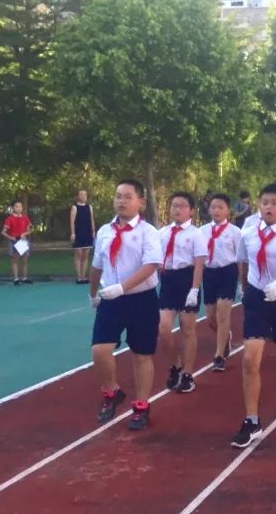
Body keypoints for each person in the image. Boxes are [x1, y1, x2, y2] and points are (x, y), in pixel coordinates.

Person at [231, 183, 276, 447]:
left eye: (274, 203)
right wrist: (244, 286)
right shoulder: (248, 233)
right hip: (257, 298)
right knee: (250, 359)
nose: (268, 207)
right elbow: (243, 260)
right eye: (264, 202)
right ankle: (252, 420)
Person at [89, 180, 163, 430]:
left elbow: (151, 265)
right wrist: (92, 293)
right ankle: (111, 391)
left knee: (142, 355)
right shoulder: (104, 231)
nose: (121, 201)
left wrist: (123, 287)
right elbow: (97, 264)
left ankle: (141, 405)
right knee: (100, 350)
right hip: (111, 300)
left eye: (127, 196)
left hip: (142, 300)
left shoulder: (148, 232)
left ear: (140, 202)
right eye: (118, 196)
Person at [157, 192, 208, 394]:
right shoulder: (162, 233)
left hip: (187, 280)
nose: (177, 209)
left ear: (191, 211)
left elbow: (199, 264)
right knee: (163, 328)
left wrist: (194, 290)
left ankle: (187, 373)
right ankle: (175, 364)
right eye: (174, 206)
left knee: (188, 330)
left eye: (182, 206)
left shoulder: (196, 234)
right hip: (168, 280)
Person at [200, 193, 243, 372]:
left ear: (228, 211)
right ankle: (225, 336)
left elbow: (240, 259)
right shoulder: (201, 231)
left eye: (221, 207)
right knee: (211, 317)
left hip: (228, 272)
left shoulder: (235, 232)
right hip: (209, 273)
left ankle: (219, 356)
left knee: (223, 313)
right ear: (209, 210)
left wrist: (242, 282)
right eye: (213, 207)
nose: (217, 210)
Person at [2, 200, 33, 285]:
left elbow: (29, 230)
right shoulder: (9, 219)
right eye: (17, 206)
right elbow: (3, 232)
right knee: (15, 260)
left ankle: (24, 278)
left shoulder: (25, 218)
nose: (18, 208)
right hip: (14, 241)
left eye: (20, 206)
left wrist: (24, 234)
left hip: (22, 241)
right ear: (13, 208)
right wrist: (10, 237)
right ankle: (16, 279)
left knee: (24, 260)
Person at [70, 189, 96, 284]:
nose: (83, 196)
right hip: (78, 233)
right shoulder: (74, 207)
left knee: (86, 255)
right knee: (78, 255)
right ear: (78, 196)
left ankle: (83, 276)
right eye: (81, 195)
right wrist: (73, 233)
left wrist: (93, 231)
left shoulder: (90, 207)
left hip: (88, 233)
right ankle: (78, 277)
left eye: (85, 195)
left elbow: (91, 219)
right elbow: (72, 221)